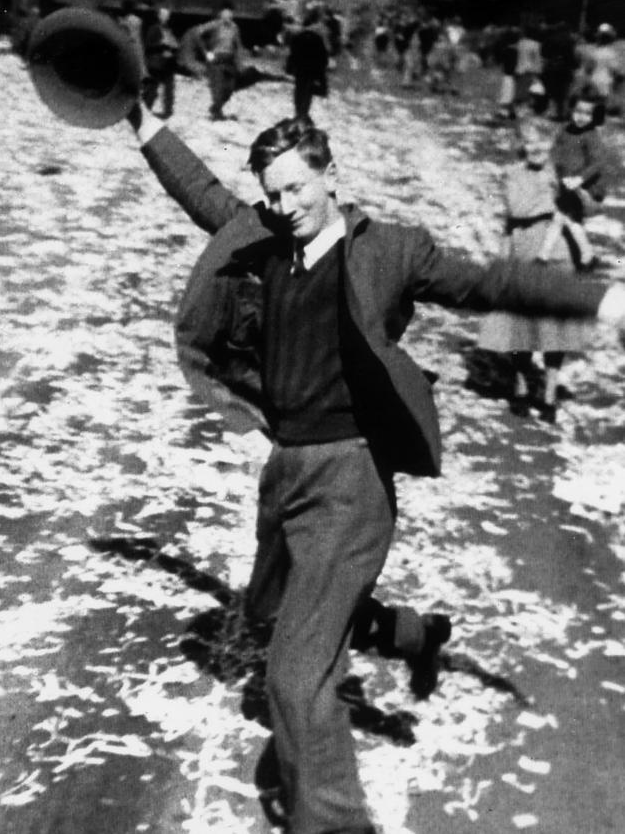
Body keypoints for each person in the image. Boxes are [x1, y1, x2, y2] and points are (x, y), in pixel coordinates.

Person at [126, 106, 625, 833]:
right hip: (286, 471)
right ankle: (414, 633)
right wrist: (140, 120)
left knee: (295, 675)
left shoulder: (388, 252)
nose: (285, 206)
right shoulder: (265, 239)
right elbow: (201, 193)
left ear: (333, 176)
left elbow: (486, 282)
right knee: (272, 612)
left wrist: (602, 298)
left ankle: (334, 823)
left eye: (298, 188)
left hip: (350, 479)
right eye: (272, 192)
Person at [478, 117, 598, 424]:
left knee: (554, 330)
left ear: (551, 145)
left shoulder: (560, 172)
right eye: (529, 142)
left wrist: (580, 193)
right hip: (523, 250)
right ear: (521, 146)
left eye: (542, 142)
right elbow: (516, 209)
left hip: (559, 255)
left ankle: (548, 394)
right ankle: (520, 387)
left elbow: (590, 205)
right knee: (522, 326)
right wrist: (552, 200)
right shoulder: (512, 174)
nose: (536, 148)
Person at [550, 91, 611, 269]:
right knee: (567, 218)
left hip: (586, 186)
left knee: (566, 217)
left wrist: (580, 179)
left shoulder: (591, 136)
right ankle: (585, 255)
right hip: (566, 182)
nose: (581, 117)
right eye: (578, 111)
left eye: (587, 113)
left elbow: (598, 162)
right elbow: (556, 150)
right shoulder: (565, 130)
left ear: (595, 116)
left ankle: (584, 256)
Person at [193, 0, 243, 121]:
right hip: (216, 60)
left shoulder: (235, 28)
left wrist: (240, 63)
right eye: (224, 13)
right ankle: (217, 113)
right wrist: (206, 52)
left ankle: (215, 108)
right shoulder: (214, 25)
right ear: (220, 14)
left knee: (230, 88)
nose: (227, 16)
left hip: (229, 60)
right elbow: (196, 33)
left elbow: (238, 46)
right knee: (218, 88)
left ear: (232, 15)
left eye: (229, 14)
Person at [285, 8, 329, 119]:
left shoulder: (298, 37)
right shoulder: (318, 38)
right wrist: (321, 73)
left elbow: (292, 54)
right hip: (312, 71)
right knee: (308, 92)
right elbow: (323, 57)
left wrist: (289, 68)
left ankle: (298, 112)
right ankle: (303, 113)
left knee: (299, 90)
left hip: (300, 70)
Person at [143, 6, 178, 119]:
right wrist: (161, 45)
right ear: (158, 15)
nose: (165, 17)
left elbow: (175, 45)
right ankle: (146, 111)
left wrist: (172, 49)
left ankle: (167, 111)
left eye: (167, 15)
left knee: (169, 88)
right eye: (163, 14)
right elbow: (148, 45)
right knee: (152, 89)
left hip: (167, 64)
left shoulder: (168, 30)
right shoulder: (153, 28)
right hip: (156, 63)